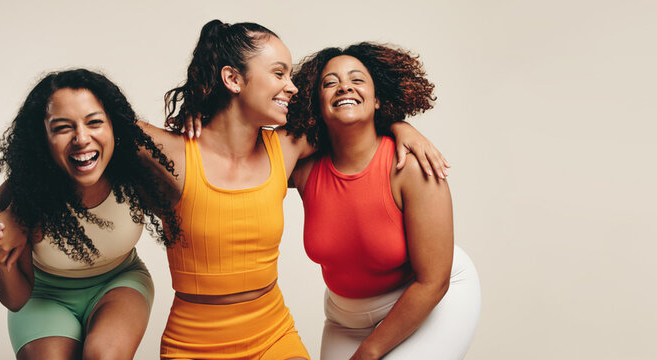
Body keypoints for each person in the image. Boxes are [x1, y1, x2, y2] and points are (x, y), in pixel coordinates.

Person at [151, 20, 447, 359]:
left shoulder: (297, 148)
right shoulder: (182, 153)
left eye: (291, 76)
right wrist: (199, 109)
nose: (291, 87)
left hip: (405, 304)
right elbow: (108, 130)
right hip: (211, 338)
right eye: (279, 74)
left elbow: (350, 118)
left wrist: (402, 127)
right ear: (233, 79)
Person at [284, 42, 481, 359]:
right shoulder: (304, 169)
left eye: (357, 79)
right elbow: (241, 153)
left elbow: (433, 281)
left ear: (377, 99)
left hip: (430, 298)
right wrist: (199, 116)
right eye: (330, 82)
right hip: (344, 319)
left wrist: (371, 350)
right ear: (316, 103)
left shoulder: (411, 166)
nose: (344, 86)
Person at [0, 69, 180, 360]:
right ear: (43, 137)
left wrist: (197, 122)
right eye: (63, 127)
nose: (81, 138)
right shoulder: (18, 196)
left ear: (115, 126)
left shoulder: (137, 172)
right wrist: (1, 262)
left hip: (119, 282)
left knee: (102, 355)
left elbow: (196, 190)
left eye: (94, 122)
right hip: (43, 296)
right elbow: (15, 300)